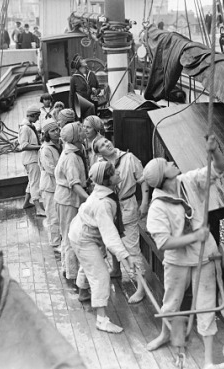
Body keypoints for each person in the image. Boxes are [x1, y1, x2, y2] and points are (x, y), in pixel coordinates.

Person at [143, 136, 224, 368]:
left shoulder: (187, 181)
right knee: (172, 302)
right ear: (163, 177)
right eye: (167, 163)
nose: (171, 162)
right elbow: (164, 243)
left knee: (206, 304)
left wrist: (215, 150)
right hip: (178, 259)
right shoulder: (157, 208)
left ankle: (208, 360)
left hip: (205, 255)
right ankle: (169, 336)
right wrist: (194, 236)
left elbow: (219, 168)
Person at [68, 161, 137, 333]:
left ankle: (84, 292)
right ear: (106, 181)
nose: (118, 173)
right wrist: (125, 256)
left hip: (81, 230)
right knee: (100, 274)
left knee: (90, 263)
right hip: (83, 237)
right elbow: (110, 234)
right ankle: (102, 320)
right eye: (114, 173)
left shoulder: (105, 192)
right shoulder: (103, 203)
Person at [93, 136, 149, 303]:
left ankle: (141, 287)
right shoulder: (99, 164)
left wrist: (145, 202)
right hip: (108, 206)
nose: (107, 144)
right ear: (98, 151)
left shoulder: (129, 158)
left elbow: (143, 180)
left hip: (127, 205)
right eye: (102, 145)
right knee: (110, 238)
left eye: (106, 141)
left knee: (132, 246)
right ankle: (116, 269)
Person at [54, 122, 89, 284]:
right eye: (80, 130)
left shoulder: (73, 151)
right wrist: (89, 200)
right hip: (68, 200)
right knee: (69, 235)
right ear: (74, 137)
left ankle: (67, 268)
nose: (83, 132)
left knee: (67, 233)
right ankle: (72, 273)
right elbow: (74, 183)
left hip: (66, 198)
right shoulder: (71, 157)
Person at [39, 118, 62, 250]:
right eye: (52, 131)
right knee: (53, 216)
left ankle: (61, 238)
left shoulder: (61, 144)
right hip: (49, 187)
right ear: (47, 134)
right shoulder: (46, 149)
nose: (56, 132)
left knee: (60, 214)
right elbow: (51, 169)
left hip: (59, 185)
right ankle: (55, 243)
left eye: (57, 129)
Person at [18, 105, 45, 217]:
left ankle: (26, 203)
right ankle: (38, 209)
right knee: (35, 183)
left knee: (31, 181)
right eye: (37, 116)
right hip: (31, 160)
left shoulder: (29, 126)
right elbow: (23, 145)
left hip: (30, 159)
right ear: (32, 115)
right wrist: (40, 146)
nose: (38, 119)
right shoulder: (25, 128)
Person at [69, 55, 100, 121]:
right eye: (82, 60)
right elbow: (71, 95)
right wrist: (72, 109)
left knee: (93, 123)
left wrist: (96, 92)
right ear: (78, 64)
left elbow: (98, 88)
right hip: (81, 107)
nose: (84, 60)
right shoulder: (74, 78)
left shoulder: (92, 74)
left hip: (93, 105)